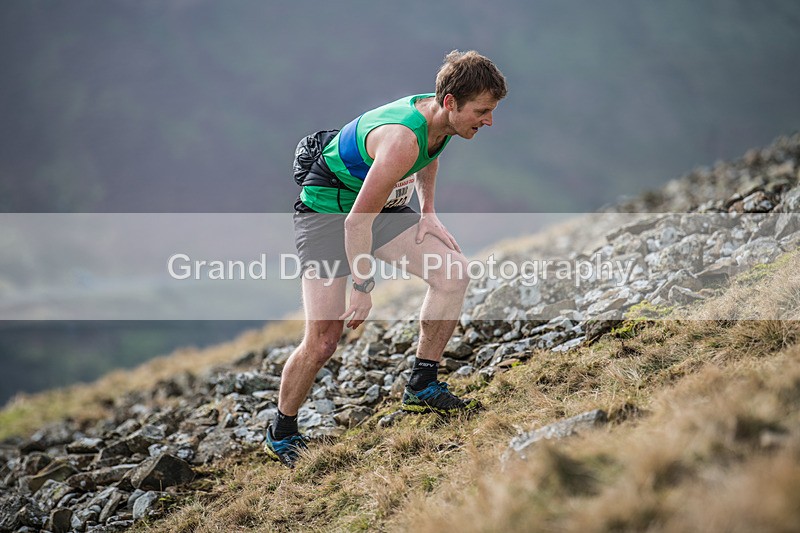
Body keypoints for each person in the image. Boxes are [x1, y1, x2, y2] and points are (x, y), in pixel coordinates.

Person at [265, 50, 507, 467]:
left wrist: (428, 211)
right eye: (482, 112)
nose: (488, 121)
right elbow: (355, 224)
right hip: (329, 215)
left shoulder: (442, 119)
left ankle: (422, 386)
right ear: (451, 102)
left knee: (453, 273)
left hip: (378, 208)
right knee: (323, 340)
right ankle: (281, 433)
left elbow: (430, 154)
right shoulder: (401, 140)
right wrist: (362, 286)